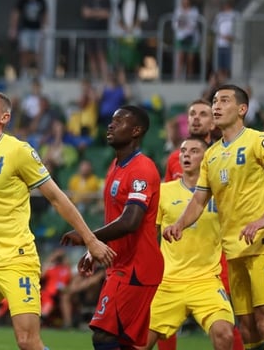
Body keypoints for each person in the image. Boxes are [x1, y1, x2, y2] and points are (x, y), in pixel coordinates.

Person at [0, 89, 115, 350]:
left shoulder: (18, 151)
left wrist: (91, 240)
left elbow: (57, 197)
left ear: (4, 117)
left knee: (27, 341)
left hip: (16, 260)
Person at [164, 84, 264, 350]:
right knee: (247, 329)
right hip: (234, 251)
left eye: (224, 100)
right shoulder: (211, 155)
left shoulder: (260, 141)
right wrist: (179, 224)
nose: (216, 105)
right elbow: (199, 200)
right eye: (214, 100)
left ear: (242, 109)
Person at [61, 104, 163, 350]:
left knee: (104, 336)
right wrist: (93, 248)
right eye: (111, 121)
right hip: (121, 264)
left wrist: (87, 237)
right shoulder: (116, 166)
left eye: (119, 121)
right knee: (124, 343)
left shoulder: (142, 169)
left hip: (137, 268)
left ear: (136, 130)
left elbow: (130, 222)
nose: (111, 125)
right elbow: (115, 219)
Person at [140, 137, 235, 350]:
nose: (186, 155)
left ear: (206, 157)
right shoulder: (164, 192)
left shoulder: (220, 193)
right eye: (183, 151)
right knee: (139, 343)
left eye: (193, 151)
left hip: (206, 281)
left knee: (224, 334)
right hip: (168, 282)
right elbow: (149, 236)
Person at [164, 99, 214, 182]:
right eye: (192, 114)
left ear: (212, 124)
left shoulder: (221, 157)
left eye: (203, 114)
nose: (196, 118)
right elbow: (169, 193)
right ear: (187, 122)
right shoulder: (174, 158)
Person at [9, 0, 49, 77]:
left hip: (37, 29)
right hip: (25, 29)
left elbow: (45, 14)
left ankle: (40, 73)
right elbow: (16, 14)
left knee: (38, 52)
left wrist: (45, 27)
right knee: (24, 51)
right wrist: (13, 28)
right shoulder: (22, 0)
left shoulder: (41, 0)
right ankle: (24, 71)